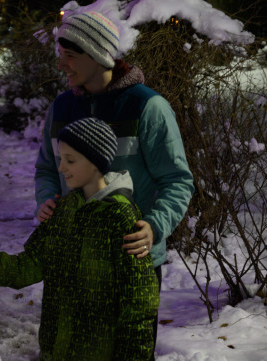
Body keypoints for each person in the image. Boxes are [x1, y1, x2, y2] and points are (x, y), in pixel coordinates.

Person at [34, 10, 195, 357]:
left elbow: (177, 181)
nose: (63, 65)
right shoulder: (61, 108)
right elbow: (47, 169)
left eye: (70, 56)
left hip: (129, 265)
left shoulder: (147, 107)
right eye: (61, 57)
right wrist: (46, 199)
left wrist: (154, 227)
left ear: (97, 54)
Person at [0, 117, 160, 360]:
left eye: (70, 160)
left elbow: (139, 304)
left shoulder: (121, 219)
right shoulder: (64, 211)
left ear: (95, 162)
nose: (61, 168)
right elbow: (27, 266)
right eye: (61, 158)